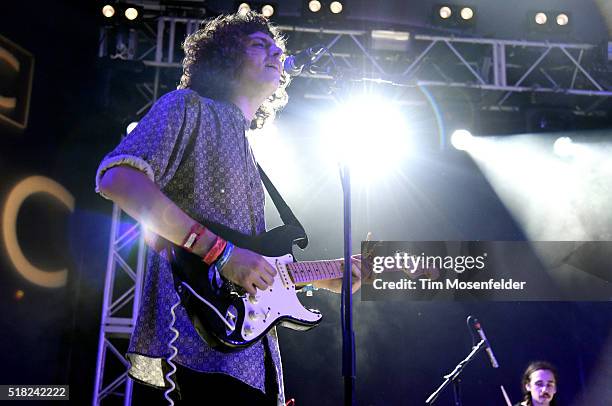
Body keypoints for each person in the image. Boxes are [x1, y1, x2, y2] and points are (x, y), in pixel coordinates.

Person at [95, 11, 361, 406]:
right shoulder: (187, 107)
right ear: (223, 56)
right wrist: (221, 252)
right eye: (259, 45)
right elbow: (117, 179)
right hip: (192, 351)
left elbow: (252, 269)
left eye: (277, 49)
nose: (274, 53)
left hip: (252, 366)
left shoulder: (248, 150)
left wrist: (327, 277)